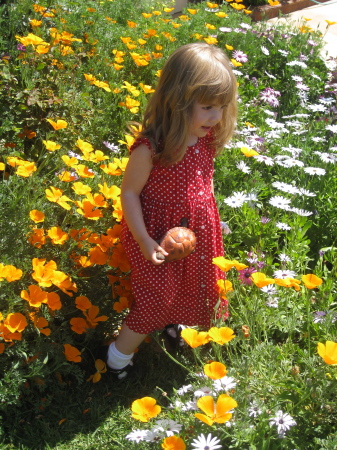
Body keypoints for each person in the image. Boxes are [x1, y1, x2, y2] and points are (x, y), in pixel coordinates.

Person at [104, 42, 237, 379]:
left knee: (196, 288)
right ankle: (117, 360)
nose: (216, 117)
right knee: (153, 302)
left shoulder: (205, 139)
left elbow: (202, 184)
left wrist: (210, 219)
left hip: (197, 236)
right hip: (157, 239)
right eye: (207, 106)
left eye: (222, 107)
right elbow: (130, 193)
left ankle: (176, 328)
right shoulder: (151, 148)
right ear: (177, 101)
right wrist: (144, 239)